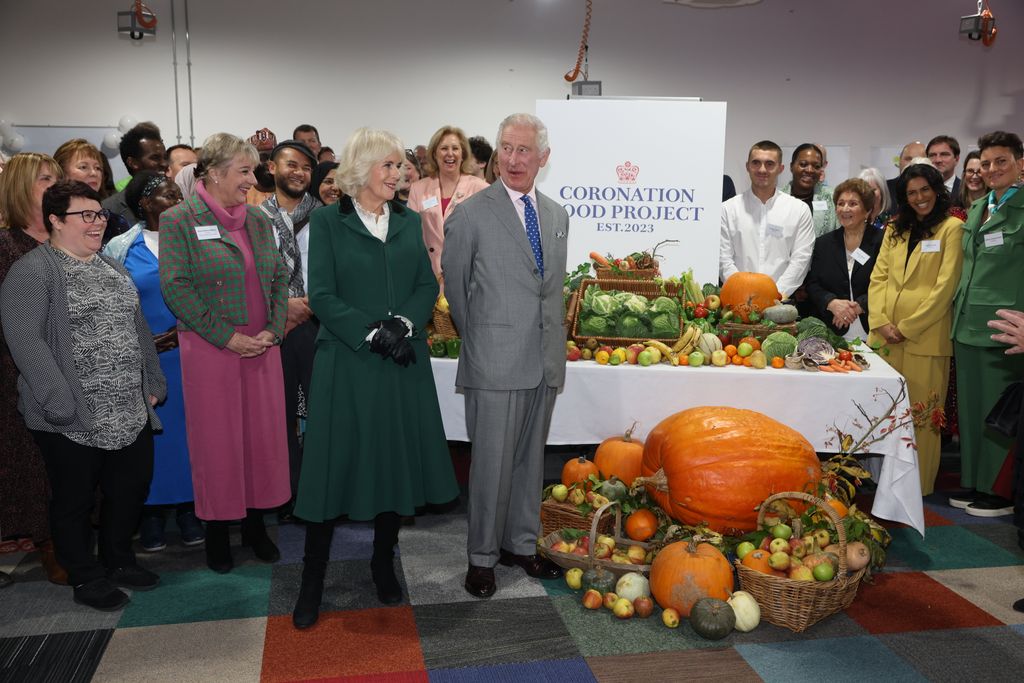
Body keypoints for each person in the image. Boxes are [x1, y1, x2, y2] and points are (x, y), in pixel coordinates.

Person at [291, 128, 459, 628]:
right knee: (331, 470)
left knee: (392, 465)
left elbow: (426, 283)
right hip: (348, 362)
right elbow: (321, 293)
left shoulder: (411, 222)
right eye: (389, 166)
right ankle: (312, 579)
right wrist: (369, 335)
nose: (400, 173)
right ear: (362, 171)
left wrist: (402, 325)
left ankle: (383, 564)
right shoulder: (326, 222)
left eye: (400, 166)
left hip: (402, 361)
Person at [1, 179, 166, 611]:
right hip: (70, 414)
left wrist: (152, 384)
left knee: (129, 489)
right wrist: (60, 402)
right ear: (56, 220)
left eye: (101, 215)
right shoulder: (32, 271)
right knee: (74, 499)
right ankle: (85, 574)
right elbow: (26, 342)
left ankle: (119, 560)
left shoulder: (112, 268)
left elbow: (139, 329)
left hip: (128, 410)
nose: (98, 224)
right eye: (86, 216)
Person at [443, 113, 569, 598]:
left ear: (543, 157)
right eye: (507, 149)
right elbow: (456, 291)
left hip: (544, 359)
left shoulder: (556, 215)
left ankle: (520, 544)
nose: (514, 160)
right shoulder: (471, 214)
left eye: (524, 151)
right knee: (491, 464)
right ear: (496, 154)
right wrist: (484, 341)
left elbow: (548, 292)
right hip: (493, 360)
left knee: (529, 463)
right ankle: (481, 559)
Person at [159, 132, 290, 574]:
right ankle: (217, 532)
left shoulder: (256, 219)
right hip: (212, 351)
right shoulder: (179, 220)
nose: (253, 179)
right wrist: (226, 337)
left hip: (261, 349)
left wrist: (272, 330)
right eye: (245, 171)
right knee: (217, 445)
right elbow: (175, 287)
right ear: (213, 173)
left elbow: (277, 278)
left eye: (253, 170)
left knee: (261, 441)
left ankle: (256, 528)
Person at [104, 171, 204, 552]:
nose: (177, 201)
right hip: (147, 361)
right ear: (144, 204)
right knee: (155, 439)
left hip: (194, 353)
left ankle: (189, 509)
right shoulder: (121, 248)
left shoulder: (198, 240)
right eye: (166, 195)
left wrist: (190, 328)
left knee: (192, 435)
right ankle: (151, 515)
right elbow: (113, 305)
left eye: (179, 194)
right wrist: (142, 340)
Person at [868, 163, 964, 496]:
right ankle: (881, 487)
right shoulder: (895, 229)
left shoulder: (952, 229)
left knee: (922, 419)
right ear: (903, 197)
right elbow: (878, 276)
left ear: (937, 190)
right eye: (912, 192)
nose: (919, 197)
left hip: (924, 338)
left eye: (925, 189)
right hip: (884, 339)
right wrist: (880, 320)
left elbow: (946, 286)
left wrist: (907, 326)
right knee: (884, 414)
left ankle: (917, 489)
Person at [0, 153, 66, 585]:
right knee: (33, 463)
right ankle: (50, 546)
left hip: (75, 368)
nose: (55, 185)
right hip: (18, 371)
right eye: (46, 180)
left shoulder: (68, 238)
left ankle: (68, 539)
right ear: (22, 187)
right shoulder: (6, 246)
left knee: (68, 464)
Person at [950, 131, 1024, 517]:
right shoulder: (979, 208)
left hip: (1006, 327)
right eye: (987, 163)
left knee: (1000, 412)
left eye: (1002, 162)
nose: (992, 170)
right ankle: (976, 482)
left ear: (1020, 164)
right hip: (966, 325)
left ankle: (1002, 490)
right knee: (974, 410)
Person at [259, 141, 321, 506]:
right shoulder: (254, 218)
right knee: (279, 414)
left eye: (306, 168)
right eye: (291, 164)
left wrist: (308, 306)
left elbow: (336, 274)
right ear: (271, 167)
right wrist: (281, 310)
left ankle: (318, 489)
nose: (299, 172)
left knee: (322, 411)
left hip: (318, 323)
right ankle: (288, 491)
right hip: (275, 327)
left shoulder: (326, 216)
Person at [719, 140, 815, 299]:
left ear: (781, 168)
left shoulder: (799, 210)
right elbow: (724, 260)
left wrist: (772, 296)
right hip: (736, 301)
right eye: (756, 163)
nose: (762, 169)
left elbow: (801, 260)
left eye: (769, 164)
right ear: (747, 166)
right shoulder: (727, 209)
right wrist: (742, 293)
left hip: (780, 303)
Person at [804, 178, 884, 339]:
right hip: (833, 331)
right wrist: (831, 303)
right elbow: (813, 284)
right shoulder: (823, 243)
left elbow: (889, 283)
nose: (844, 209)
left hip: (875, 330)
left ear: (867, 210)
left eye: (853, 204)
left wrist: (860, 306)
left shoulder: (882, 241)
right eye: (840, 203)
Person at [407, 126, 489, 280]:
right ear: (434, 154)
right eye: (444, 148)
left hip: (469, 277)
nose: (450, 154)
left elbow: (487, 240)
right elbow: (412, 237)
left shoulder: (481, 189)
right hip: (429, 276)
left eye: (455, 148)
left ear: (463, 154)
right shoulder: (418, 189)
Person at [102, 122, 167, 243]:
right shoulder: (109, 210)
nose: (164, 164)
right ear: (133, 163)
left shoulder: (177, 203)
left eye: (165, 157)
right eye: (155, 158)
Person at [780, 143, 837, 238]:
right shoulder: (777, 198)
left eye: (816, 166)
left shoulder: (833, 198)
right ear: (791, 167)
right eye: (803, 164)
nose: (810, 170)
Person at [887, 140, 926, 209]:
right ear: (899, 162)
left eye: (918, 159)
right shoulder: (885, 189)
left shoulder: (933, 190)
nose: (912, 163)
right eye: (908, 159)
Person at [927, 135, 962, 199]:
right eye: (932, 155)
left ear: (956, 159)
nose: (938, 160)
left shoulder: (965, 189)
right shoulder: (921, 190)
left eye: (944, 154)